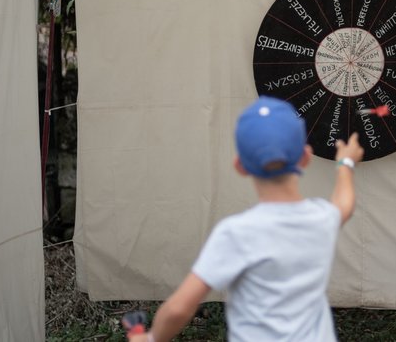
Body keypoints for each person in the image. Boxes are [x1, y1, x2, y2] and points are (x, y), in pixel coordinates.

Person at [124, 96, 364, 342]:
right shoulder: (321, 218)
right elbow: (344, 204)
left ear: (240, 166)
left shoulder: (236, 233)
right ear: (305, 157)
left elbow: (179, 308)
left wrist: (151, 338)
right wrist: (345, 163)